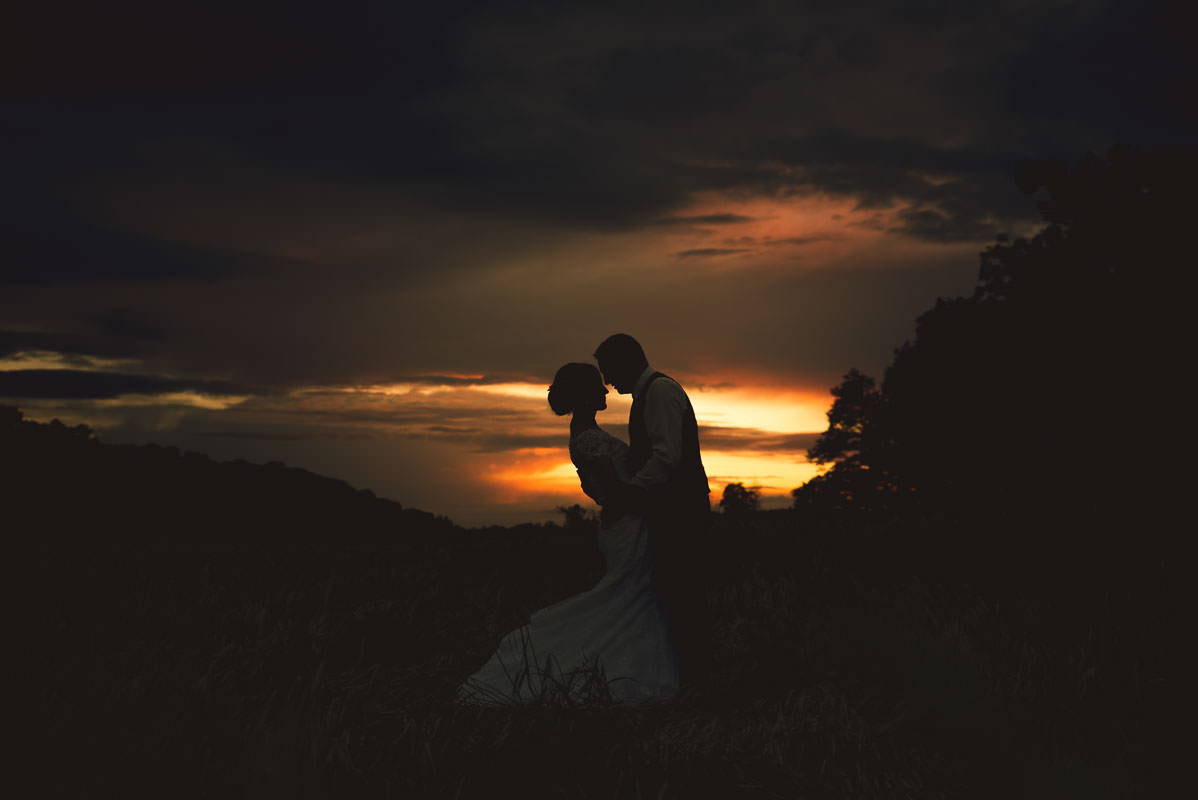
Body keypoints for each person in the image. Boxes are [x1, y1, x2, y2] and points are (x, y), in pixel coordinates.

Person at [455, 362, 680, 706]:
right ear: (585, 393)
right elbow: (614, 491)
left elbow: (599, 489)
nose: (606, 391)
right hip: (627, 528)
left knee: (633, 600)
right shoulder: (589, 438)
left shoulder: (584, 433)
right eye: (598, 387)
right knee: (628, 598)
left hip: (623, 527)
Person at [593, 334, 713, 688]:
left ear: (627, 363)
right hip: (672, 511)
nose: (608, 383)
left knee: (683, 595)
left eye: (609, 371)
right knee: (674, 594)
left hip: (681, 512)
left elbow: (666, 456)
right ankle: (685, 679)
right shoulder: (647, 396)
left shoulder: (659, 393)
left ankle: (696, 682)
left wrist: (629, 494)